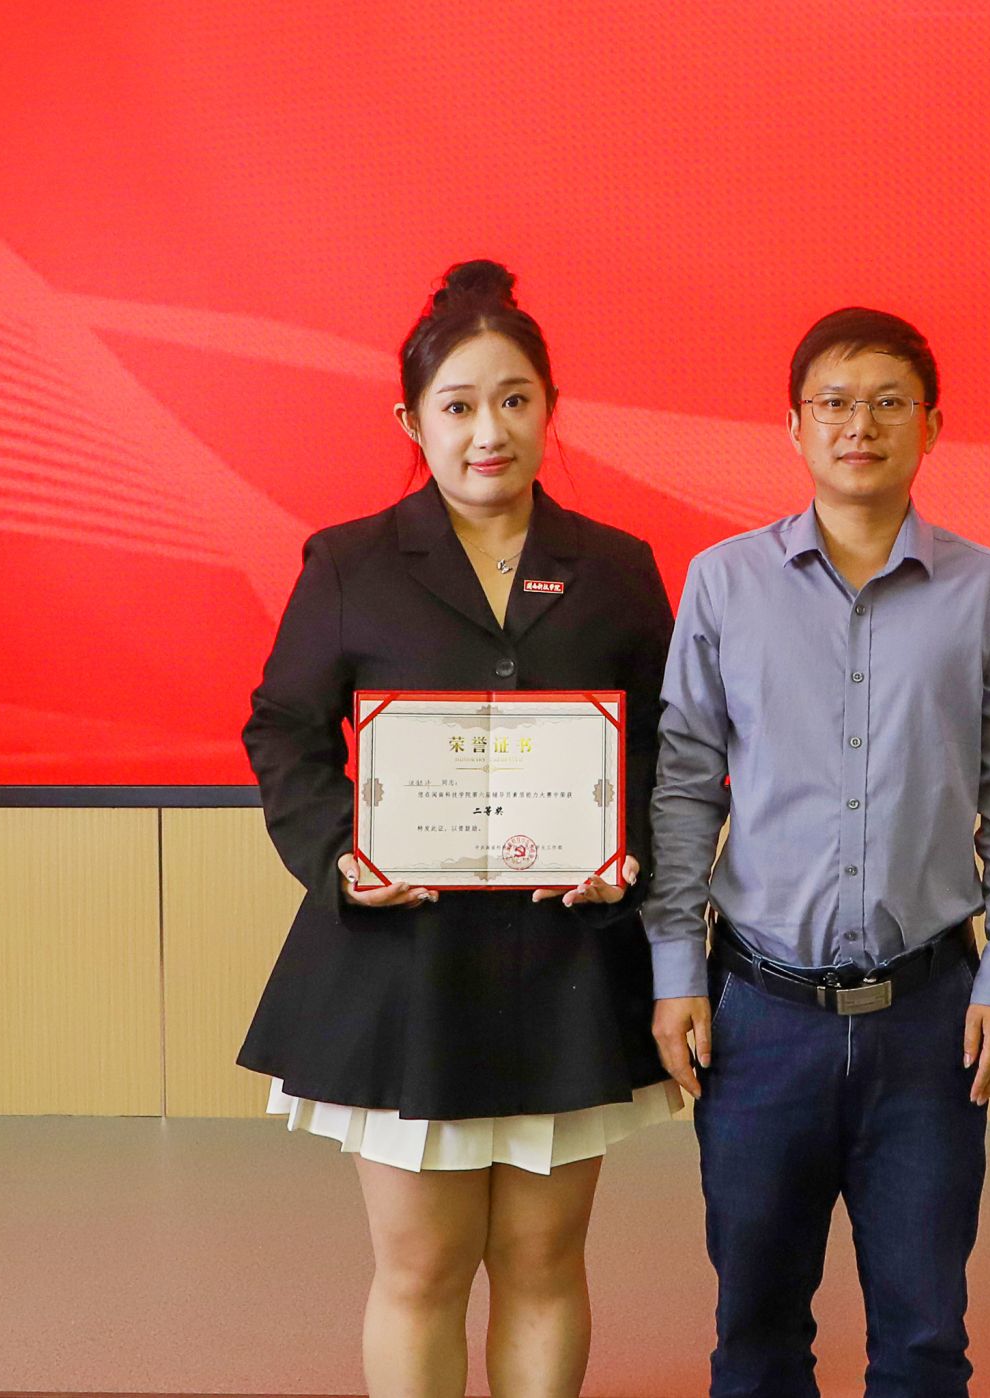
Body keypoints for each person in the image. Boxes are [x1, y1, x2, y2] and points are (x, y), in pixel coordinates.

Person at [237, 259, 678, 1398]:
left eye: (515, 399)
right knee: (421, 1268)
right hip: (406, 966)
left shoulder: (618, 569)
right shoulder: (349, 563)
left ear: (549, 408)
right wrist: (341, 853)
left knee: (544, 1262)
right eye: (460, 405)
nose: (491, 431)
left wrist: (625, 846)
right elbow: (284, 731)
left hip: (567, 960)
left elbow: (661, 745)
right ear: (413, 421)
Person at [644, 308, 990, 1398]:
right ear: (793, 426)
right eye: (832, 402)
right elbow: (683, 787)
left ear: (931, 424)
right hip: (757, 1016)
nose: (858, 425)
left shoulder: (989, 593)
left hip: (930, 1019)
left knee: (924, 1343)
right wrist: (675, 970)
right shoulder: (724, 583)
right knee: (756, 1338)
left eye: (886, 402)